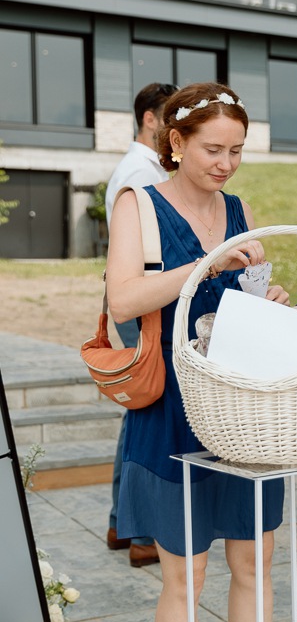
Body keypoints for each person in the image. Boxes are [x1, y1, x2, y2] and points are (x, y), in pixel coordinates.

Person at [106, 82, 297, 622]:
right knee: (183, 578)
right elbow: (125, 300)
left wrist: (268, 299)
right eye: (212, 149)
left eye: (236, 151)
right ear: (175, 142)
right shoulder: (139, 203)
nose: (226, 164)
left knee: (253, 563)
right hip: (170, 409)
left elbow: (241, 298)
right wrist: (206, 266)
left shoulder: (237, 209)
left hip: (238, 409)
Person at [105, 81, 177, 567]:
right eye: (168, 119)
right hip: (146, 302)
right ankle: (141, 532)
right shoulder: (138, 173)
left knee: (141, 403)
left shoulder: (143, 167)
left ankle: (121, 522)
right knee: (148, 402)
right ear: (151, 119)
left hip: (151, 300)